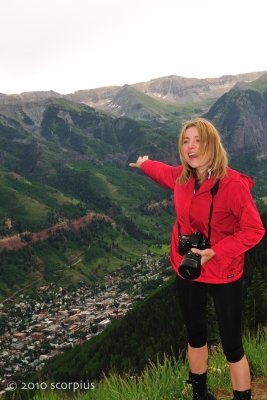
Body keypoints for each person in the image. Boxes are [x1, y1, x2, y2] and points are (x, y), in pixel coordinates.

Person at [129, 118, 265, 400]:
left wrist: (217, 250)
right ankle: (200, 393)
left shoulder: (233, 184)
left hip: (224, 271)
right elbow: (162, 172)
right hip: (187, 268)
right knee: (195, 335)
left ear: (212, 144)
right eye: (186, 141)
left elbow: (254, 230)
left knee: (232, 345)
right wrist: (144, 164)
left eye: (198, 140)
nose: (191, 147)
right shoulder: (182, 177)